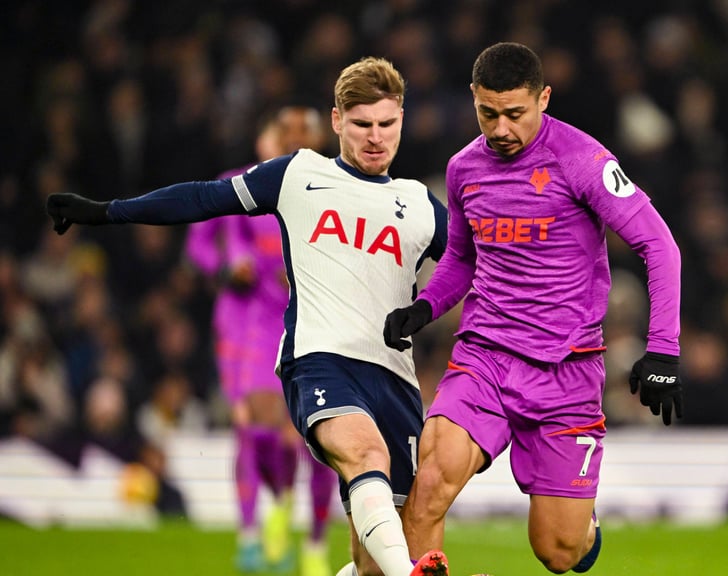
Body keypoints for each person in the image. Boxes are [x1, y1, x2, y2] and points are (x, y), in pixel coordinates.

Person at [47, 56, 451, 576]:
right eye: (362, 124)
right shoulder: (297, 174)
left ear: (401, 119)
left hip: (394, 379)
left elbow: (477, 266)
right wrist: (107, 211)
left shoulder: (420, 203)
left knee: (370, 562)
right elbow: (202, 198)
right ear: (336, 122)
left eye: (387, 124)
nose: (376, 138)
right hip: (320, 361)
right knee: (366, 457)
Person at [383, 42, 684, 574]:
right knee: (427, 486)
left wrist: (662, 351)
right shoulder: (463, 169)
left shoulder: (583, 159)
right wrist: (426, 305)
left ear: (544, 98)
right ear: (474, 101)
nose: (500, 129)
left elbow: (659, 245)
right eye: (488, 113)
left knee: (558, 552)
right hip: (486, 359)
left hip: (568, 373)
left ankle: (583, 530)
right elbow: (460, 256)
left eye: (515, 114)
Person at [184, 106, 338, 575]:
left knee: (320, 436)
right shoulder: (238, 187)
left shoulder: (329, 187)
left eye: (301, 136)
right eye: (283, 135)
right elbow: (200, 243)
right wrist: (227, 267)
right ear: (264, 140)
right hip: (248, 321)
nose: (291, 144)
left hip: (313, 319)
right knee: (253, 427)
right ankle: (254, 529)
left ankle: (312, 542)